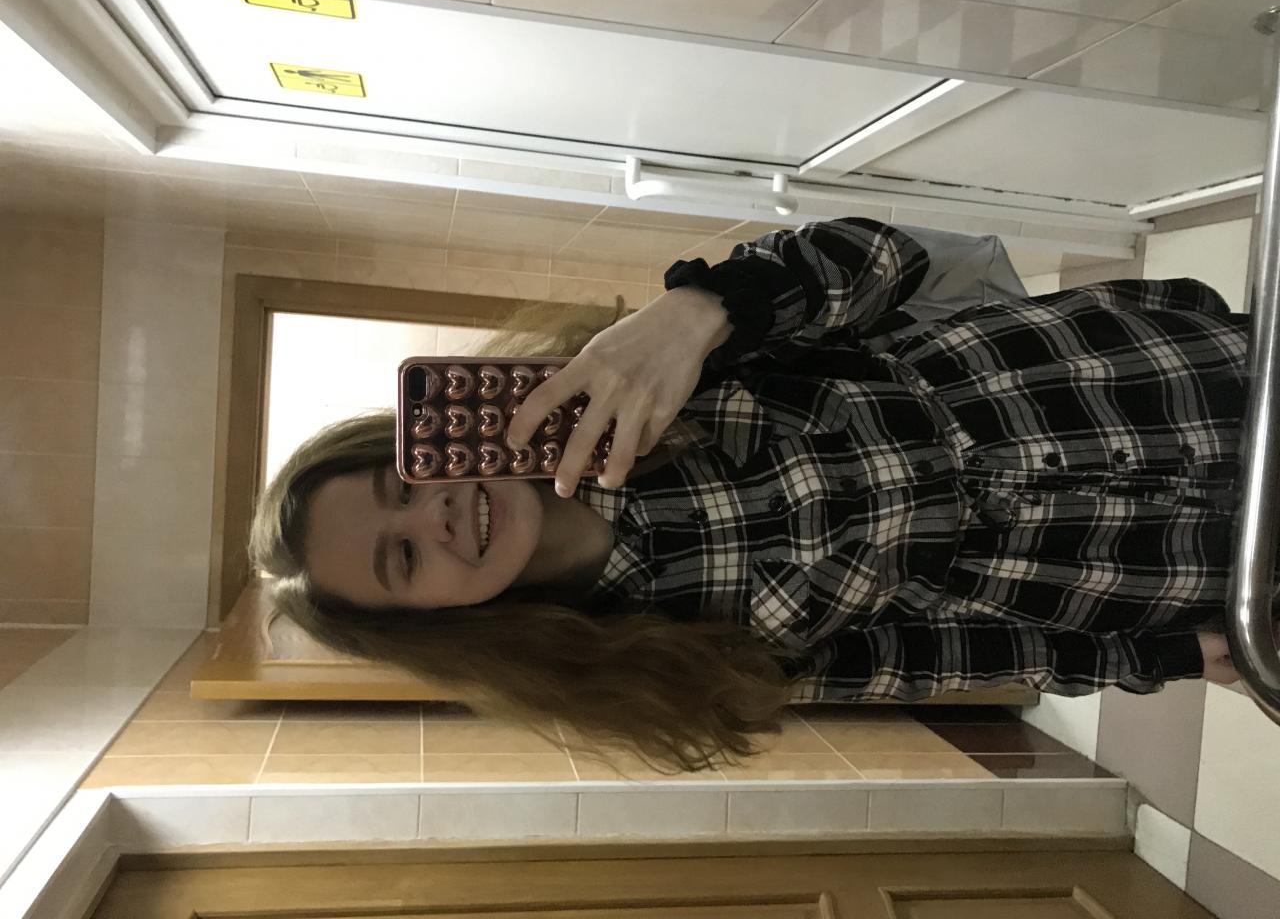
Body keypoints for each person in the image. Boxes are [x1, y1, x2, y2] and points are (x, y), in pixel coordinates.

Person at [251, 216, 1254, 773]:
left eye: (401, 485)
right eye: (401, 557)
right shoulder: (642, 663)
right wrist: (1162, 656)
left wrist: (700, 311)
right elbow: (929, 660)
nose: (433, 517)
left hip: (1127, 378)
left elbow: (884, 262)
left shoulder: (624, 382)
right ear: (431, 622)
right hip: (1127, 566)